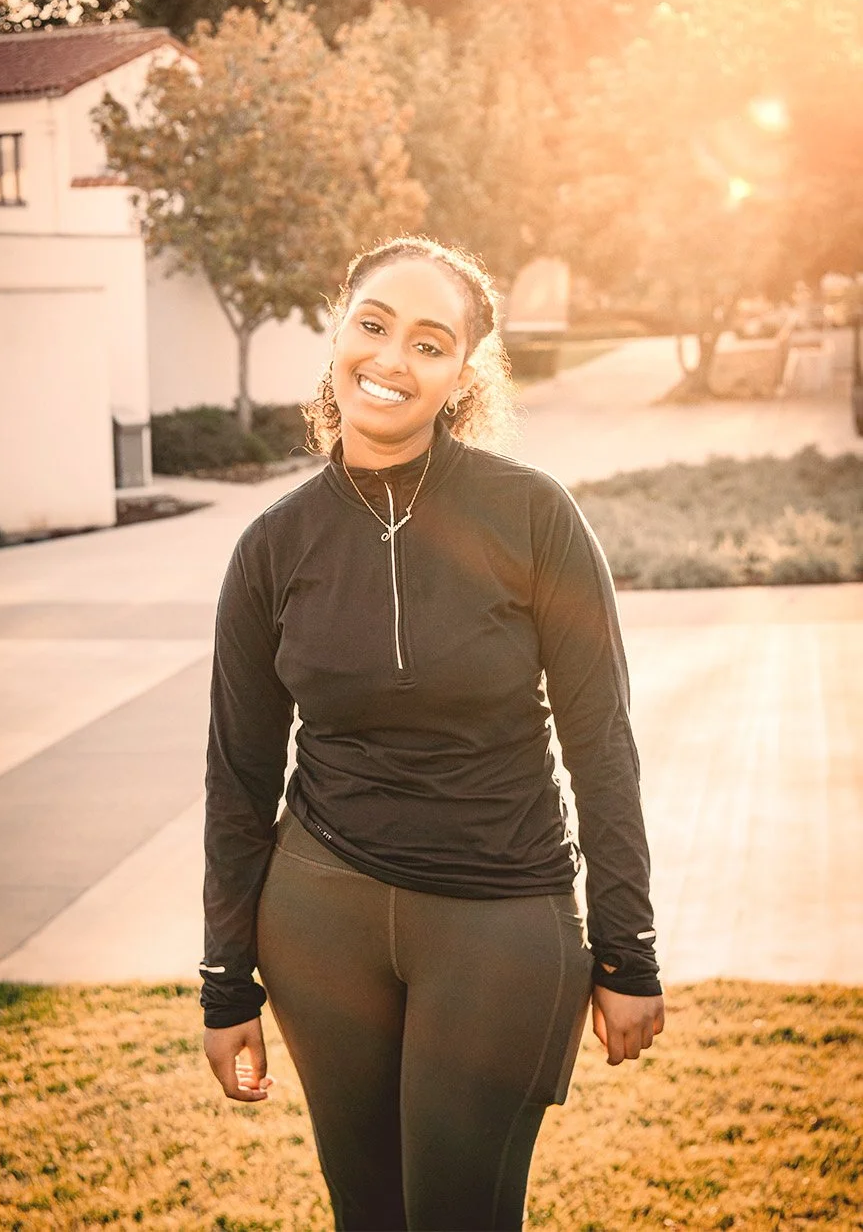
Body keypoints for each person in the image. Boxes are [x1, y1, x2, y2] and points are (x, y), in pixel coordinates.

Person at [200, 236, 664, 1232]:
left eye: (428, 341)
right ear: (337, 330)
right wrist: (223, 979)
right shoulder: (270, 547)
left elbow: (601, 745)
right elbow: (238, 779)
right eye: (372, 325)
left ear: (461, 373)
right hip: (318, 920)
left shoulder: (533, 517)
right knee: (366, 1213)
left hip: (500, 917)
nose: (390, 359)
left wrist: (626, 950)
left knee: (460, 1211)